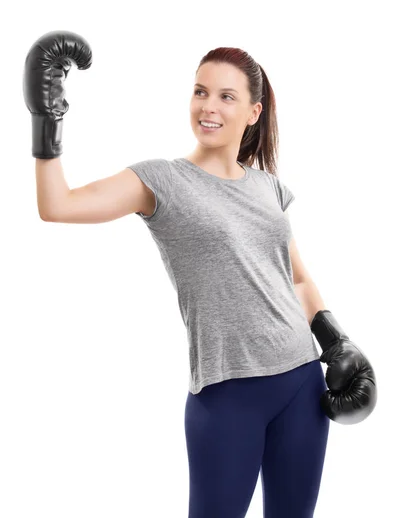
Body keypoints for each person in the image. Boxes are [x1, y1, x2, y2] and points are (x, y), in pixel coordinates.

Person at [25, 31, 377, 518]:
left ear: (253, 112)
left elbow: (294, 278)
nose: (208, 106)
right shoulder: (162, 181)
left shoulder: (268, 187)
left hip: (301, 383)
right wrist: (47, 121)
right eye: (200, 91)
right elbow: (57, 207)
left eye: (226, 96)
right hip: (226, 394)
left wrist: (337, 339)